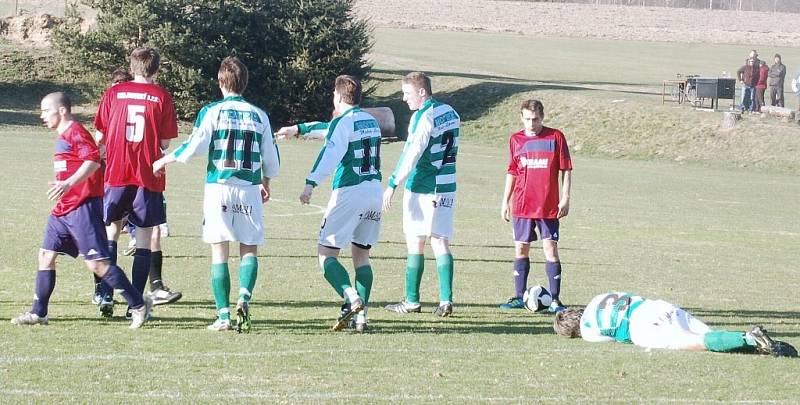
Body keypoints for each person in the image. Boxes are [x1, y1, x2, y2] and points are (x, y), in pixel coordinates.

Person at [153, 57, 279, 332]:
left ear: (221, 82)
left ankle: (223, 316)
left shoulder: (213, 111)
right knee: (249, 249)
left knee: (219, 252)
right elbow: (271, 157)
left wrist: (165, 160)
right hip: (248, 190)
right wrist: (266, 182)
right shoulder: (260, 115)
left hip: (219, 188)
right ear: (244, 83)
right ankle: (244, 298)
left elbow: (194, 145)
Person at [11, 92, 152, 328]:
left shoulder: (75, 131)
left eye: (46, 110)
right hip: (64, 209)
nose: (42, 115)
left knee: (97, 264)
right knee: (46, 256)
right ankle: (39, 313)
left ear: (62, 111)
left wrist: (68, 184)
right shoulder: (63, 135)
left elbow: (94, 161)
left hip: (82, 207)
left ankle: (138, 304)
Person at [93, 47, 179, 319]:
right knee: (143, 239)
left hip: (116, 173)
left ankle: (105, 294)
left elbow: (100, 135)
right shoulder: (162, 96)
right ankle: (135, 305)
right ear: (155, 69)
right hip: (147, 176)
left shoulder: (113, 93)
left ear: (132, 68)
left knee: (111, 233)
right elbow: (165, 143)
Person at [299, 75, 381, 332]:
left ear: (338, 96)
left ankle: (351, 297)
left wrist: (310, 183)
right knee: (361, 256)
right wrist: (298, 129)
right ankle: (361, 318)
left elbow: (330, 154)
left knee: (326, 254)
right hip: (374, 192)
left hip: (350, 191)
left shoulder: (343, 122)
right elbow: (330, 129)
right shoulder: (371, 121)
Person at [382, 72, 460, 318]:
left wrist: (393, 183)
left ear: (422, 92)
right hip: (447, 185)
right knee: (440, 242)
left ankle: (412, 301)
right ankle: (446, 300)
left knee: (416, 242)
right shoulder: (451, 112)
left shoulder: (422, 116)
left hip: (423, 187)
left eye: (407, 93)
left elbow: (412, 152)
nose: (405, 99)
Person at [553, 291, 798, 358]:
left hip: (642, 326)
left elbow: (613, 338)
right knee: (711, 336)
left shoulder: (586, 331)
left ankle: (750, 339)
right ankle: (758, 344)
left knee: (700, 343)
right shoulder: (597, 297)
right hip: (658, 306)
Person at [499, 99, 571, 312]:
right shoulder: (516, 140)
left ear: (543, 117)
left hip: (548, 205)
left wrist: (565, 196)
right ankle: (520, 297)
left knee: (550, 249)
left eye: (536, 119)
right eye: (528, 119)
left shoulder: (555, 137)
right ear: (521, 118)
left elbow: (566, 168)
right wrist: (505, 201)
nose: (531, 123)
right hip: (521, 204)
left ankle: (555, 299)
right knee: (521, 248)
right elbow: (512, 171)